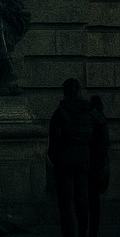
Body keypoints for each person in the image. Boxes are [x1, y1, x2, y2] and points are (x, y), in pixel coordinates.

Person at [48, 78, 95, 237]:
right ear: (78, 90)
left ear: (66, 91)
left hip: (65, 161)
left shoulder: (60, 112)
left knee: (66, 202)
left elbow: (53, 140)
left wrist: (56, 158)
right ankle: (83, 233)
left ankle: (69, 234)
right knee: (82, 201)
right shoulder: (88, 111)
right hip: (83, 160)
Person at [89, 95, 110, 237]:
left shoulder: (89, 120)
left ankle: (88, 231)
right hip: (99, 164)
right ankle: (93, 232)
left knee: (86, 200)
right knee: (95, 201)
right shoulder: (102, 121)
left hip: (88, 164)